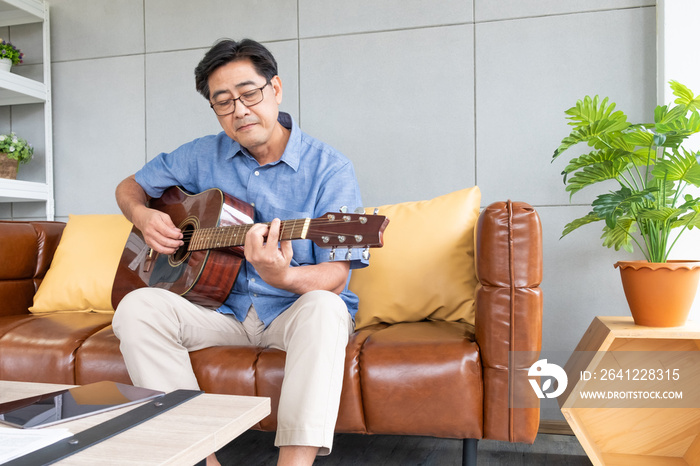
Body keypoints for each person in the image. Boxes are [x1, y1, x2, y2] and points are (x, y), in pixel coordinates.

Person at [112, 38, 367, 466]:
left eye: (249, 93)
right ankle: (199, 457)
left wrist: (283, 276)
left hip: (292, 310)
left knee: (326, 307)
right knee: (135, 308)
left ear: (276, 89)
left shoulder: (331, 168)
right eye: (223, 102)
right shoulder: (198, 155)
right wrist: (141, 216)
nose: (239, 110)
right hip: (218, 310)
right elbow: (128, 187)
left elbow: (336, 277)